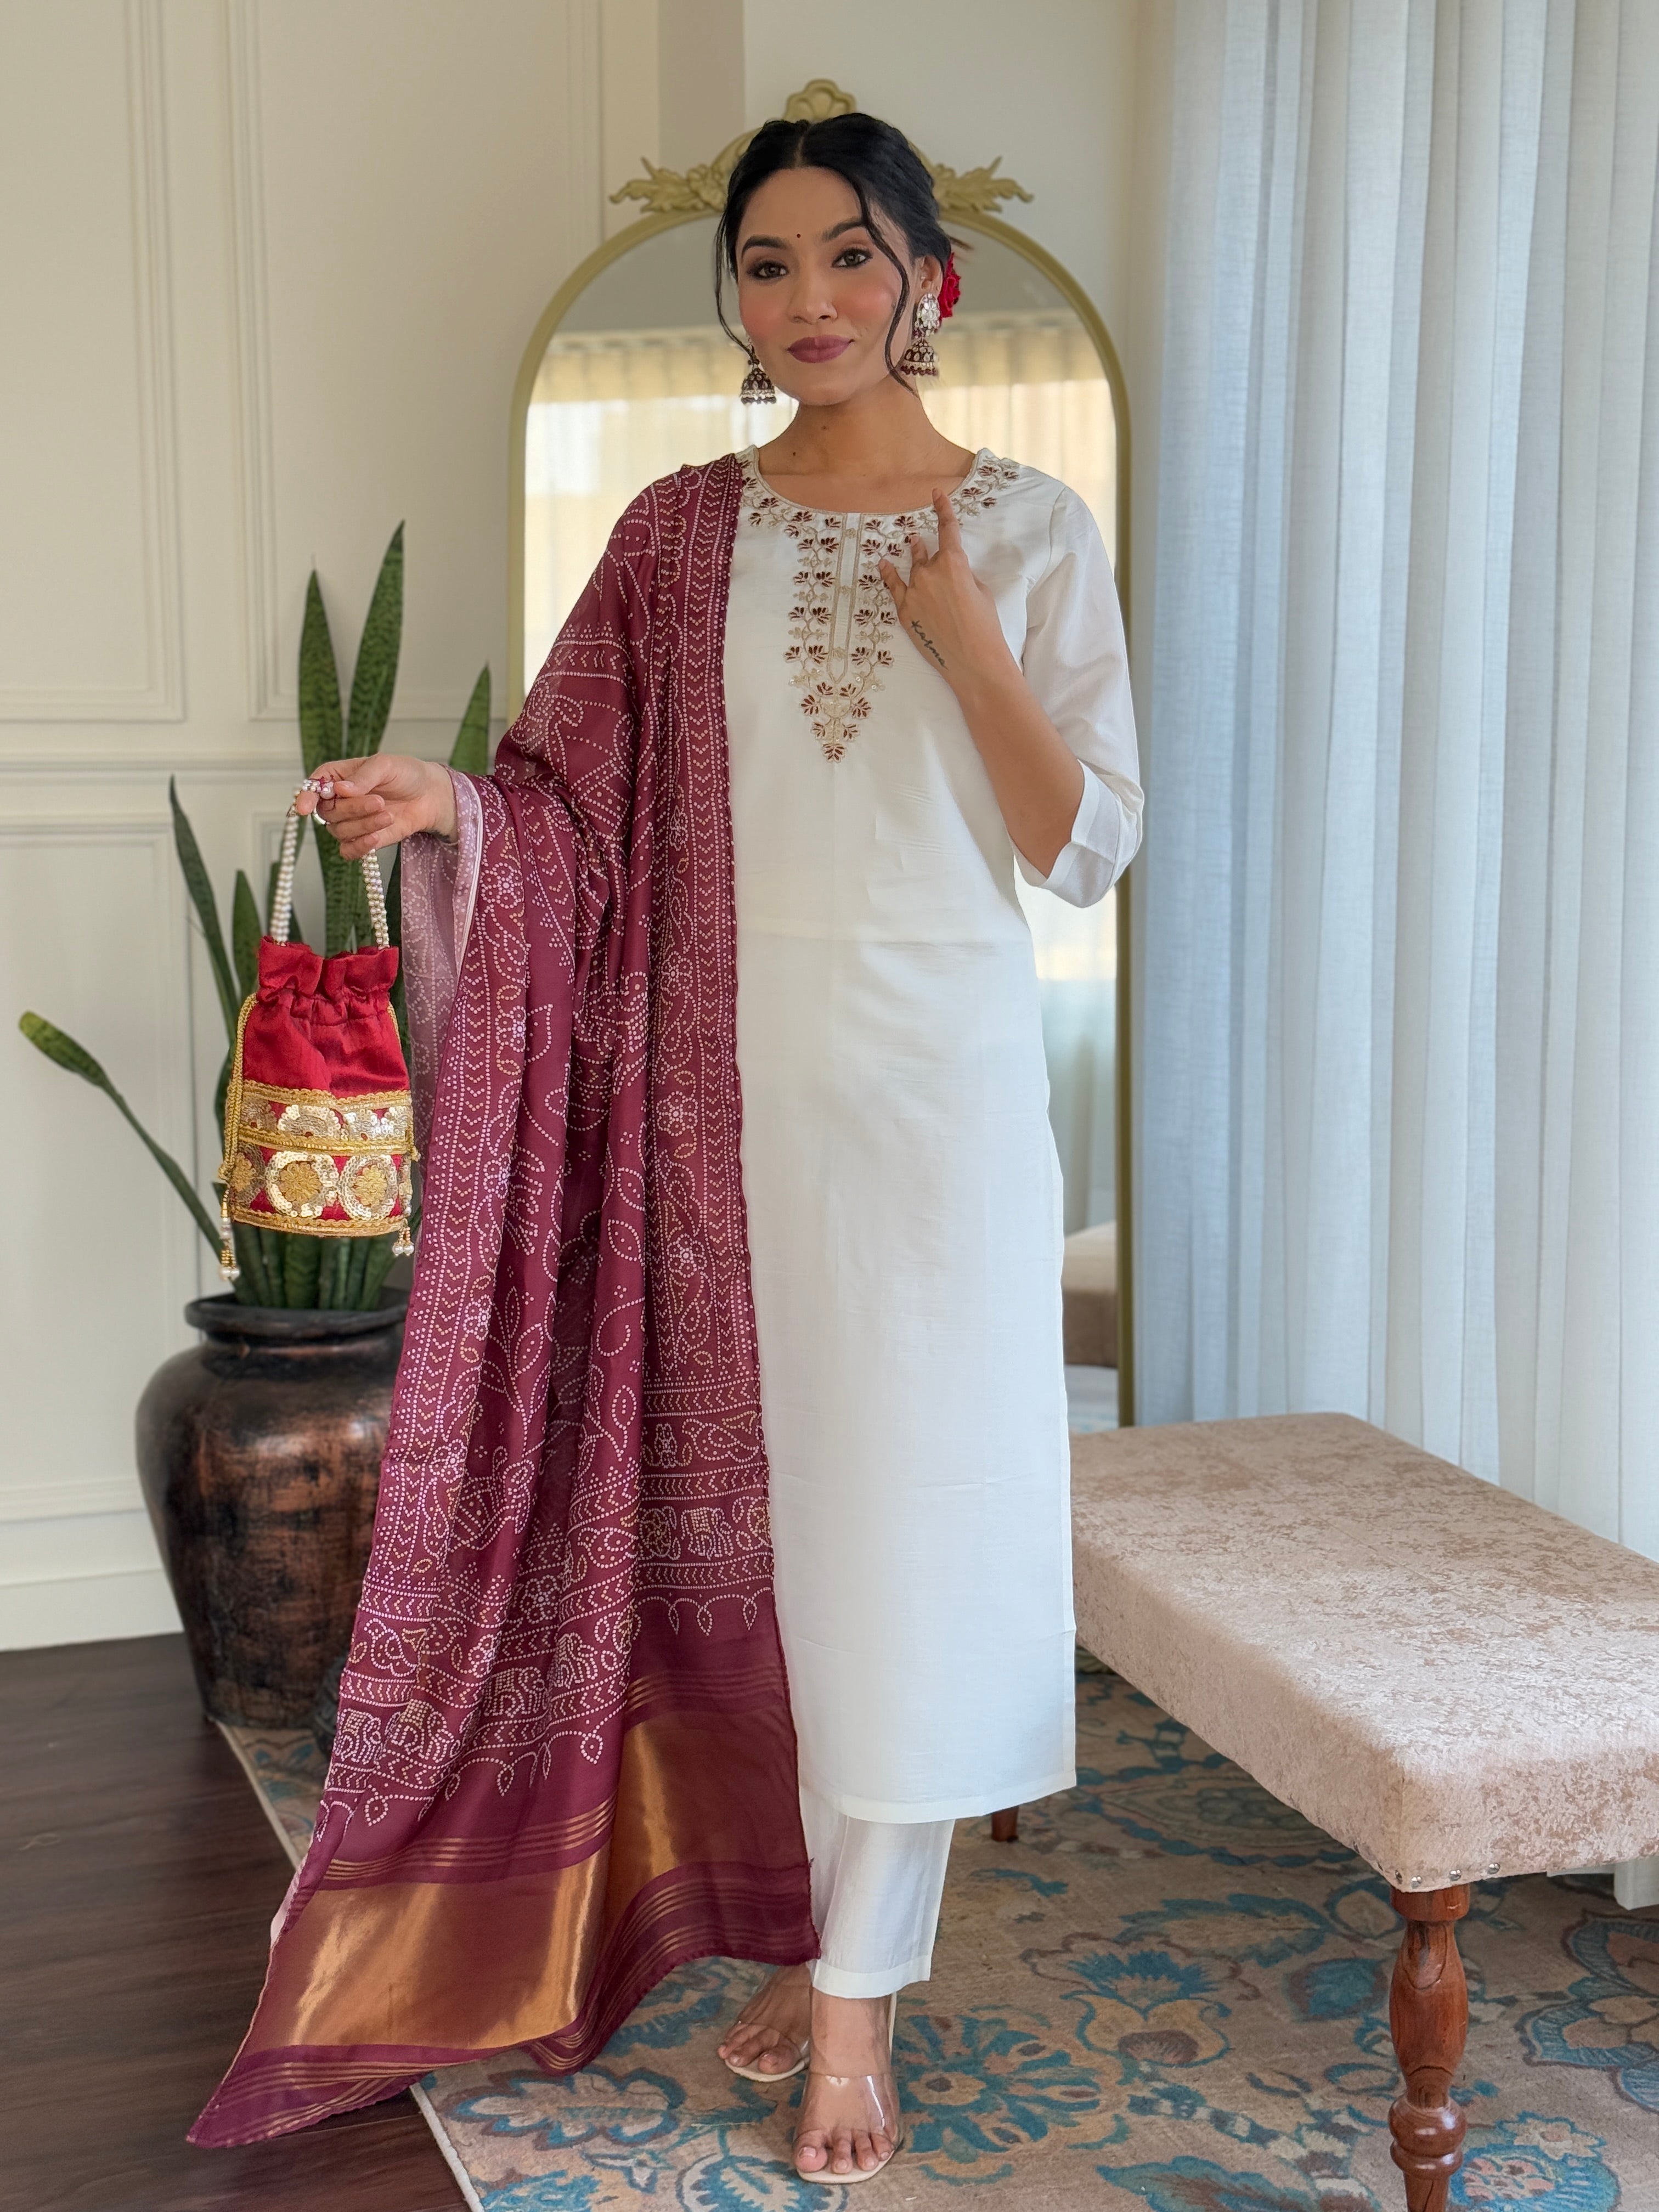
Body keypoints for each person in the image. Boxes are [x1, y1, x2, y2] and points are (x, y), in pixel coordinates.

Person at [193, 110, 1139, 2182]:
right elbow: (566, 808)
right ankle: (807, 1941)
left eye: (851, 255)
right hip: (709, 1116)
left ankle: (858, 1997)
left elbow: (1085, 845)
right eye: (769, 263)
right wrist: (453, 810)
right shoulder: (678, 532)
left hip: (937, 1107)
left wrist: (971, 641)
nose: (809, 299)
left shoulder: (1032, 528)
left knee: (909, 1536)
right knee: (773, 1548)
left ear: (927, 279)